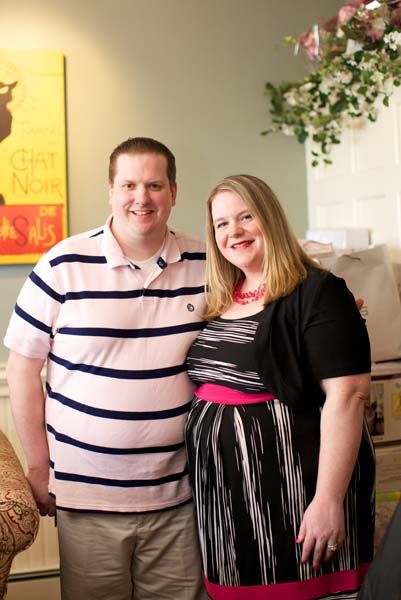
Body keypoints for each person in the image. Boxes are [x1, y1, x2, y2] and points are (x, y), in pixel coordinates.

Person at [4, 137, 207, 600]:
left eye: (154, 185)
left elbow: (264, 292)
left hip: (179, 496)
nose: (142, 198)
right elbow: (22, 370)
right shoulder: (63, 264)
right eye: (129, 185)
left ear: (174, 192)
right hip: (87, 497)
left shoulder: (205, 262)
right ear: (111, 191)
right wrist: (38, 466)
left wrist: (329, 303)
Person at [185, 174, 375, 600]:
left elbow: (348, 396)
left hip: (295, 490)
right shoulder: (223, 295)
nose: (233, 231)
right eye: (221, 224)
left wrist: (328, 500)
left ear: (270, 217)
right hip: (228, 500)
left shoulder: (319, 291)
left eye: (246, 217)